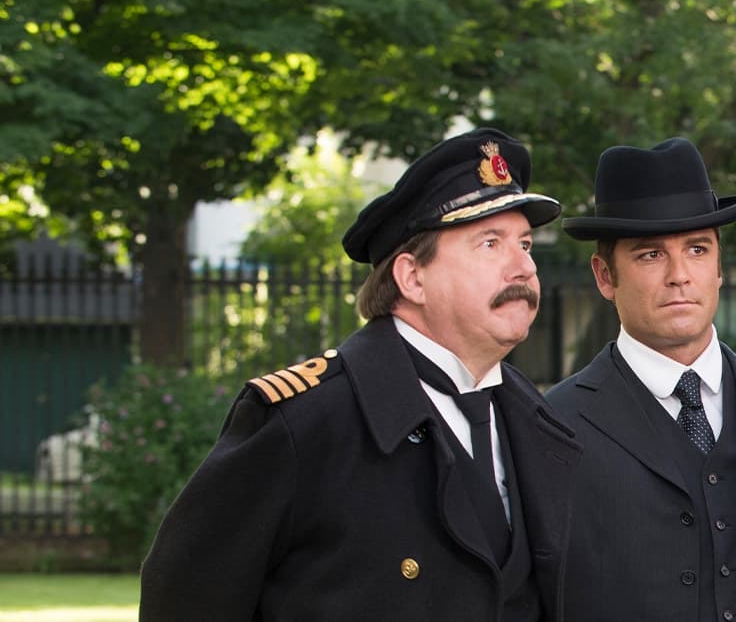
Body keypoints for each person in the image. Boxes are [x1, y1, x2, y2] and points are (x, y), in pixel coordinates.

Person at [140, 129, 581, 621]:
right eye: (490, 244)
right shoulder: (306, 421)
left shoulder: (535, 418)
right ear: (412, 277)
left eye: (525, 244)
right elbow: (185, 601)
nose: (524, 267)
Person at [546, 138, 736, 621]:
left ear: (718, 268)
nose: (679, 275)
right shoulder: (555, 428)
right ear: (605, 276)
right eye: (651, 255)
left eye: (697, 249)